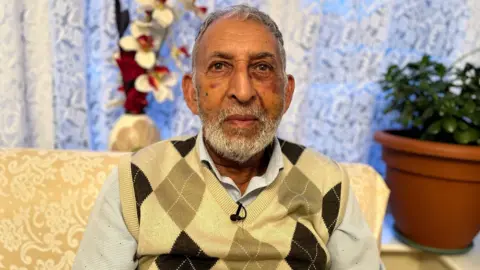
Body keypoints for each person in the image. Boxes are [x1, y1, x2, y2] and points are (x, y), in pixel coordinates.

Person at [73, 4, 382, 270]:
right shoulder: (137, 179)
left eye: (261, 67)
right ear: (191, 94)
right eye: (220, 67)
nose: (243, 91)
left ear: (286, 93)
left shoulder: (328, 183)